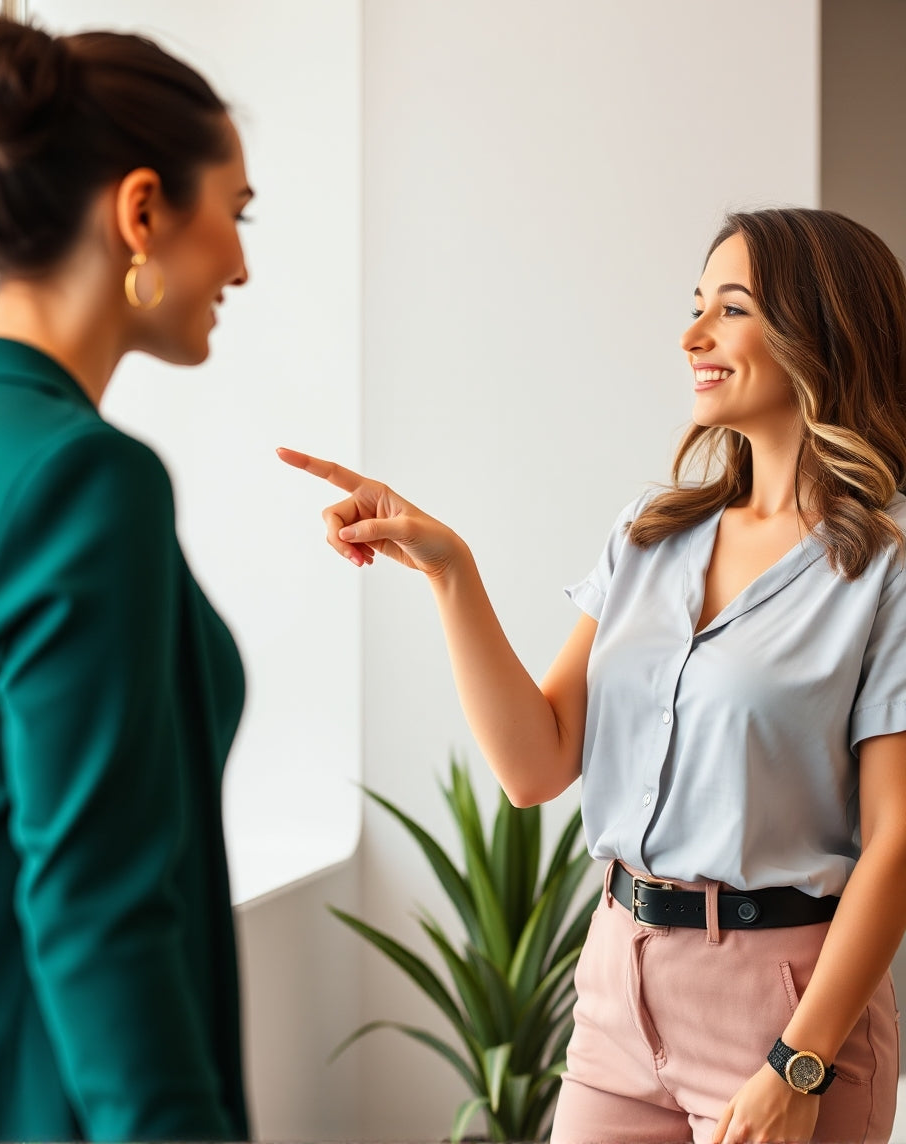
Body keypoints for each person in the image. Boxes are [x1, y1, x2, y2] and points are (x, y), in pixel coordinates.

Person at [279, 207, 906, 1144]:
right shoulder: (651, 534)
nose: (693, 335)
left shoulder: (886, 564)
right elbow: (535, 766)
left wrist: (799, 1061)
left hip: (782, 1004)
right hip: (618, 985)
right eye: (696, 307)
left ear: (820, 329)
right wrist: (453, 571)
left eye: (730, 310)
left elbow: (898, 838)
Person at [0, 16, 253, 1141]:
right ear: (142, 209)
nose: (241, 264)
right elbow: (98, 905)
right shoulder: (88, 482)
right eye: (234, 216)